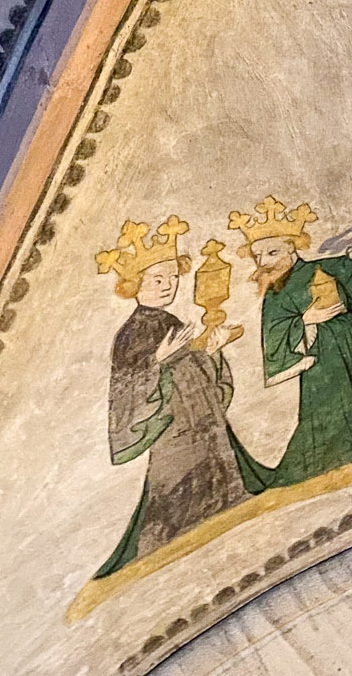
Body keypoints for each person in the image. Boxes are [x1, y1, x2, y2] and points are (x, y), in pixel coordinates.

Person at [90, 223, 270, 578]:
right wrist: (156, 361)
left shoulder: (169, 320)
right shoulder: (129, 333)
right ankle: (168, 537)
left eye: (172, 277)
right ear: (135, 285)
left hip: (199, 413)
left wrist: (212, 351)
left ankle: (221, 507)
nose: (168, 285)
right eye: (157, 279)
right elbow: (125, 389)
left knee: (214, 461)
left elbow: (190, 366)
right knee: (178, 478)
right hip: (173, 425)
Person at [240, 203, 352, 485]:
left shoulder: (328, 267)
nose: (264, 262)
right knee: (329, 401)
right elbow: (275, 334)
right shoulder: (275, 294)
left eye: (272, 252)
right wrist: (305, 321)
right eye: (258, 256)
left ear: (291, 247)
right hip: (322, 354)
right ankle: (335, 456)